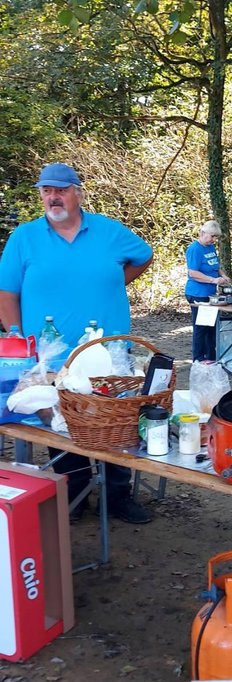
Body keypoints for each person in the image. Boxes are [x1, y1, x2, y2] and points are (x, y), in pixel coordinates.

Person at [0, 162, 155, 524]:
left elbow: (143, 256)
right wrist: (18, 338)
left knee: (116, 419)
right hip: (51, 354)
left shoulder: (109, 231)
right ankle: (75, 493)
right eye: (46, 190)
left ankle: (117, 494)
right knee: (60, 422)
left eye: (61, 189)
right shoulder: (24, 237)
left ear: (77, 192)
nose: (53, 197)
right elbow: (6, 294)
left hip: (111, 351)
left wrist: (113, 284)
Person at [185, 220, 231, 361]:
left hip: (210, 294)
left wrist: (223, 276)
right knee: (201, 328)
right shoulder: (195, 249)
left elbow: (215, 266)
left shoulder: (210, 248)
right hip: (197, 293)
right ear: (202, 233)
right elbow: (193, 272)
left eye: (215, 237)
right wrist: (212, 280)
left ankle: (211, 357)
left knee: (211, 327)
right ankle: (198, 359)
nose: (213, 240)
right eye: (212, 236)